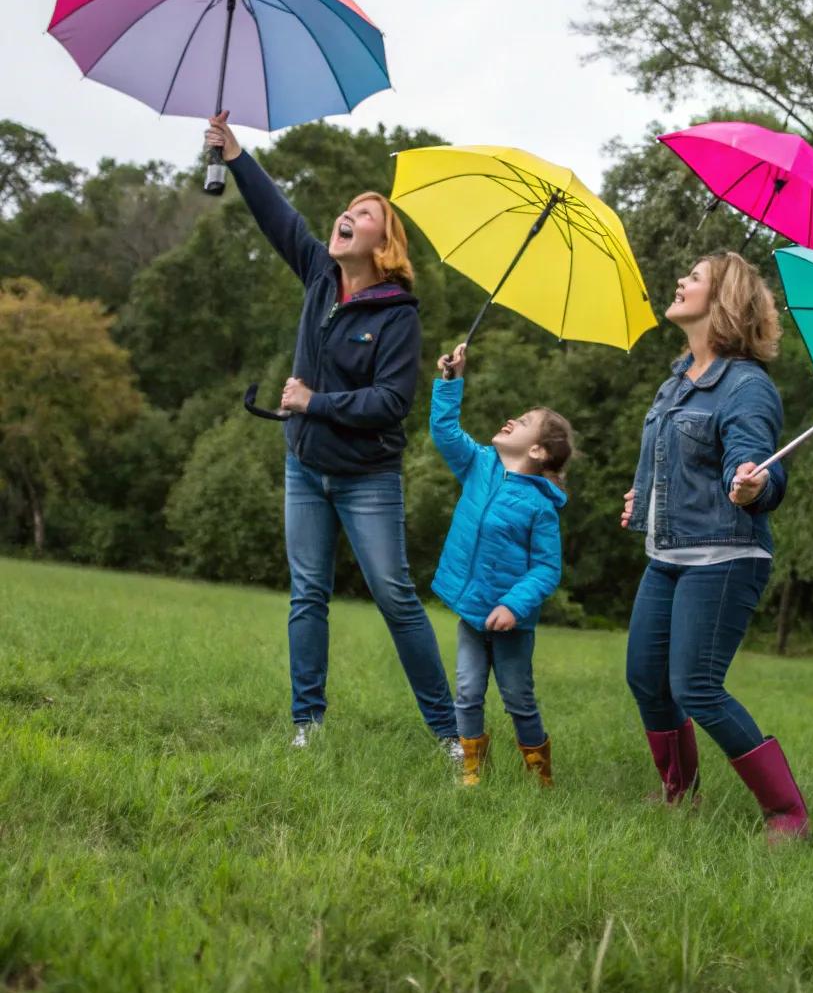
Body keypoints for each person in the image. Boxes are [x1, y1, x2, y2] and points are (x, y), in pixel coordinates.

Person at [204, 111, 459, 754]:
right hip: (304, 467)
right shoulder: (320, 276)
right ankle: (307, 725)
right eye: (348, 209)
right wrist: (235, 154)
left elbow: (392, 401)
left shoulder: (398, 315)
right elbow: (277, 215)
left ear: (384, 244)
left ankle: (449, 734)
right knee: (307, 595)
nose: (348, 215)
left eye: (365, 214)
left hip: (366, 477)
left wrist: (315, 402)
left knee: (395, 597)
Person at [621, 251, 809, 837]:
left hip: (726, 555)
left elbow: (759, 471)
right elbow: (668, 461)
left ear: (723, 300)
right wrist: (642, 499)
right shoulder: (677, 378)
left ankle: (787, 814)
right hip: (669, 554)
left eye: (695, 277)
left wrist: (753, 485)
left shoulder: (747, 387)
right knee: (645, 679)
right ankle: (680, 795)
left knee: (696, 687)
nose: (680, 280)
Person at [429, 341, 572, 787]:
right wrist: (451, 382)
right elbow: (446, 432)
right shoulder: (479, 465)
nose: (512, 421)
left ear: (538, 453)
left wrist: (513, 606)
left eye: (524, 423)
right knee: (468, 692)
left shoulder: (540, 507)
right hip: (472, 611)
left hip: (511, 622)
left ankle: (539, 774)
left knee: (518, 698)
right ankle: (472, 769)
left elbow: (547, 569)